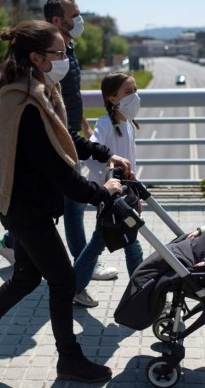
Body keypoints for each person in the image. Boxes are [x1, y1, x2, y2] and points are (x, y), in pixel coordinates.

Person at [0, 20, 121, 383]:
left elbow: (64, 138)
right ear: (35, 56)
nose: (65, 58)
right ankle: (69, 359)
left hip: (27, 205)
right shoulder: (24, 101)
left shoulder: (40, 89)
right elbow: (56, 169)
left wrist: (104, 154)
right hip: (25, 207)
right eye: (59, 53)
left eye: (65, 52)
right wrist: (99, 193)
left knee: (28, 277)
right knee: (62, 281)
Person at [0, 0, 123, 281]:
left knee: (26, 279)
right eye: (74, 14)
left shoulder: (63, 54)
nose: (80, 20)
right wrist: (101, 192)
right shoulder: (33, 90)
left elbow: (68, 100)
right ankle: (81, 265)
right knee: (72, 207)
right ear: (57, 20)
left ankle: (14, 242)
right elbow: (49, 148)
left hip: (66, 134)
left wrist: (85, 131)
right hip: (38, 186)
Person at [72, 72, 144, 307]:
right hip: (111, 198)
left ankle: (73, 289)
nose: (135, 96)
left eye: (135, 90)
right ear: (112, 98)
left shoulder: (128, 124)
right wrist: (107, 178)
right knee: (127, 245)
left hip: (124, 197)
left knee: (101, 244)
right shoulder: (106, 123)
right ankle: (139, 294)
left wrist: (136, 196)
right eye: (128, 92)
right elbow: (91, 152)